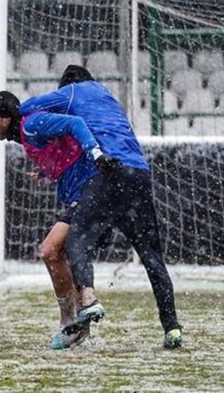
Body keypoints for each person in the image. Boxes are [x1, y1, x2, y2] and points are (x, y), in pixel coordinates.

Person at [20, 65, 183, 349]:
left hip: (109, 175)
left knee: (77, 241)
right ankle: (172, 328)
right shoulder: (107, 96)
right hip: (140, 173)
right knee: (152, 257)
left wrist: (13, 111)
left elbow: (30, 106)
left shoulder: (71, 92)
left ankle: (89, 300)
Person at [0, 90, 123, 349]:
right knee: (57, 253)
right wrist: (46, 171)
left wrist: (96, 155)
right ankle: (79, 325)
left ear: (5, 116)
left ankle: (72, 319)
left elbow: (75, 124)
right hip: (78, 195)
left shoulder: (32, 124)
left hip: (88, 191)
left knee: (50, 249)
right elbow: (64, 151)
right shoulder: (27, 135)